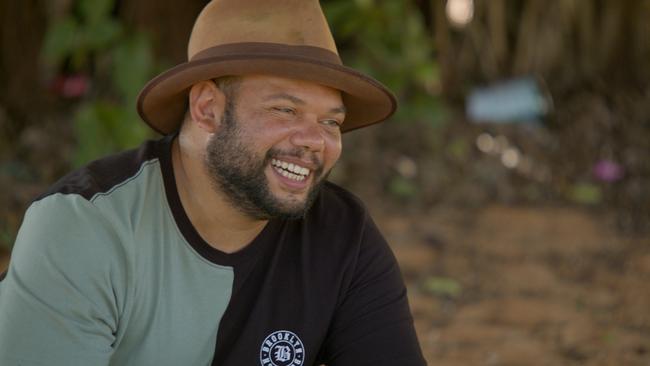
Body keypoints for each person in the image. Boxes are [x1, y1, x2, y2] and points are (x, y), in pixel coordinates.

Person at [0, 0, 426, 365]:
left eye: (331, 121)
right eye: (285, 110)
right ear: (207, 109)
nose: (315, 141)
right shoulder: (85, 229)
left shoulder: (343, 236)